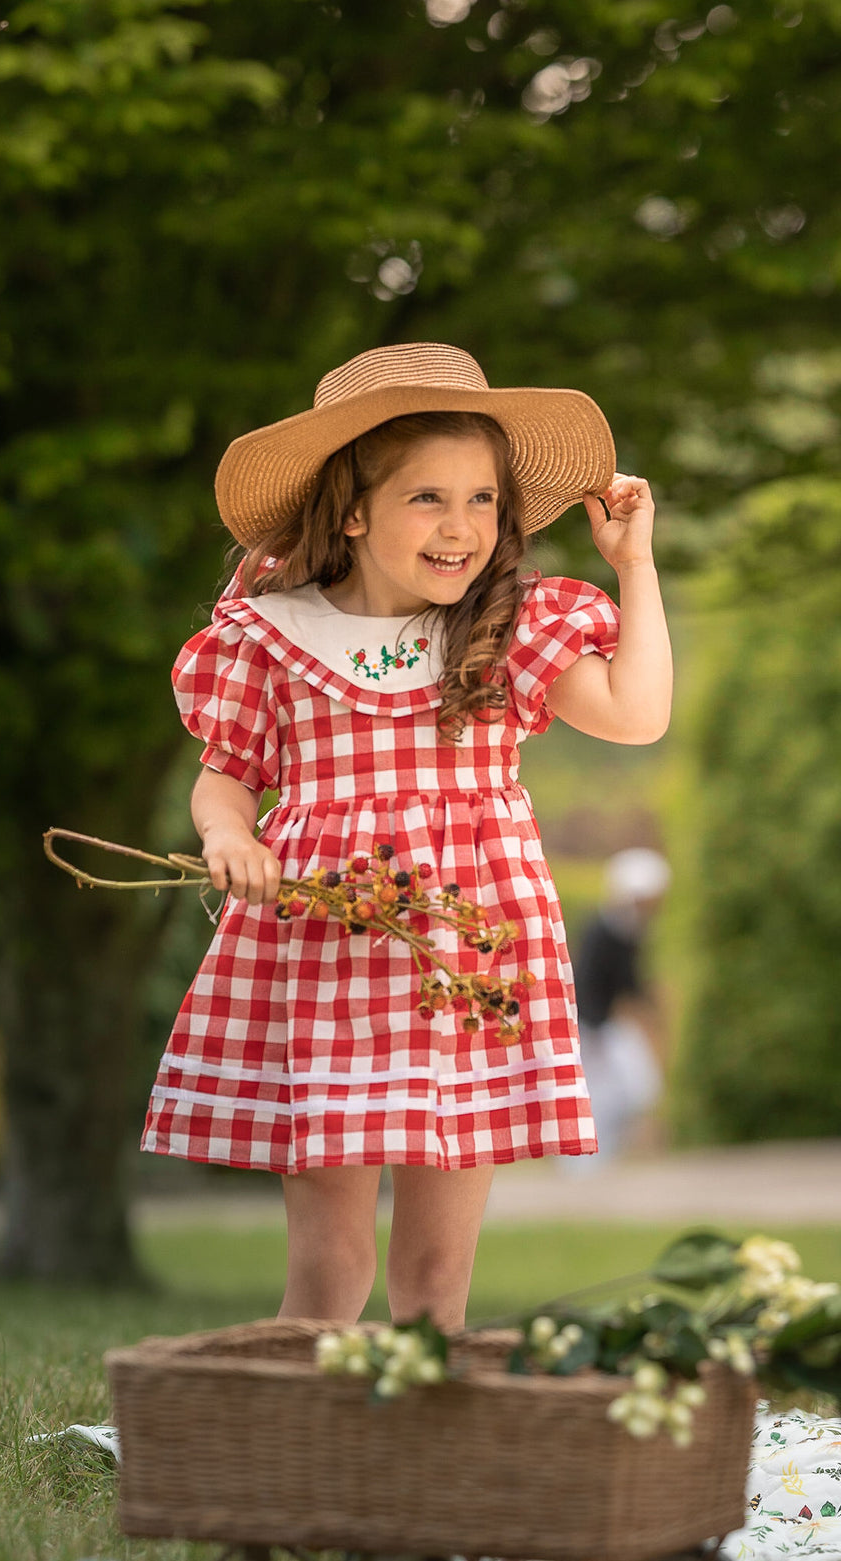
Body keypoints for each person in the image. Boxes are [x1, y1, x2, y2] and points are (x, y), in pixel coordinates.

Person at [141, 343, 673, 1331]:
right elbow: (226, 780)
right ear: (353, 507)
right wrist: (230, 838)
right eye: (429, 497)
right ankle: (308, 1453)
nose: (462, 526)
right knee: (331, 1261)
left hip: (463, 953)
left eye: (482, 500)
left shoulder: (504, 626)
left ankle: (410, 1464)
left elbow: (637, 714)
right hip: (327, 950)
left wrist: (634, 566)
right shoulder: (274, 636)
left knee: (436, 1273)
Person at [570, 848, 671, 1167]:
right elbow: (594, 984)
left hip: (602, 1025)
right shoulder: (606, 931)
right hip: (594, 1026)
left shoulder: (624, 930)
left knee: (628, 1090)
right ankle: (586, 1164)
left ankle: (597, 1160)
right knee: (622, 1089)